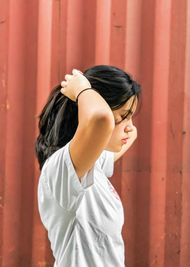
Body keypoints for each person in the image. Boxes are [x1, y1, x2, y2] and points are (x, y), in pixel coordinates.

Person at [35, 65, 141, 267]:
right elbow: (100, 119)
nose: (130, 126)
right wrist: (82, 89)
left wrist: (121, 114)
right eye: (122, 117)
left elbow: (128, 133)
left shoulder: (94, 165)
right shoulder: (63, 169)